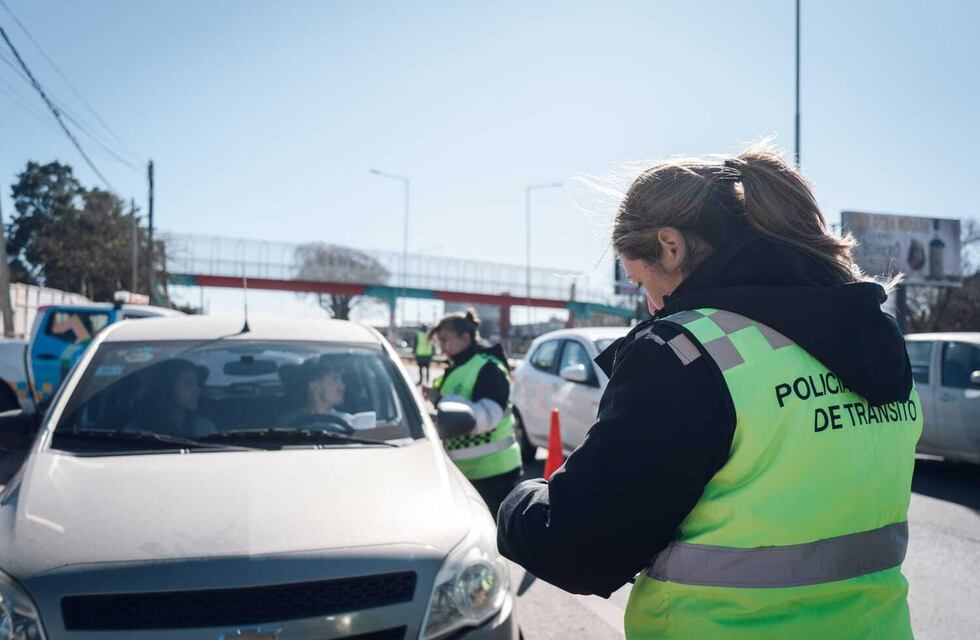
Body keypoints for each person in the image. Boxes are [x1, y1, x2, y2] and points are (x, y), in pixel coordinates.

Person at [497, 142, 922, 639]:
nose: (652, 304)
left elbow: (580, 549)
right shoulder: (875, 336)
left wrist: (519, 502)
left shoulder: (686, 353)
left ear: (671, 246)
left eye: (641, 280)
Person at [422, 309, 522, 515]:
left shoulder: (488, 368)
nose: (441, 348)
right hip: (466, 474)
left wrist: (440, 400)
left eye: (444, 341)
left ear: (465, 338)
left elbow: (485, 417)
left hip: (494, 475)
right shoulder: (458, 369)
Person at [130, 359, 217, 438]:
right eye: (188, 384)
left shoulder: (204, 429)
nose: (197, 390)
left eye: (197, 383)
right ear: (168, 388)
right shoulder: (136, 430)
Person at [280, 356, 356, 430]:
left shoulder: (349, 422)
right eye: (335, 379)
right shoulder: (288, 422)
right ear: (314, 386)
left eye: (341, 380)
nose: (343, 386)